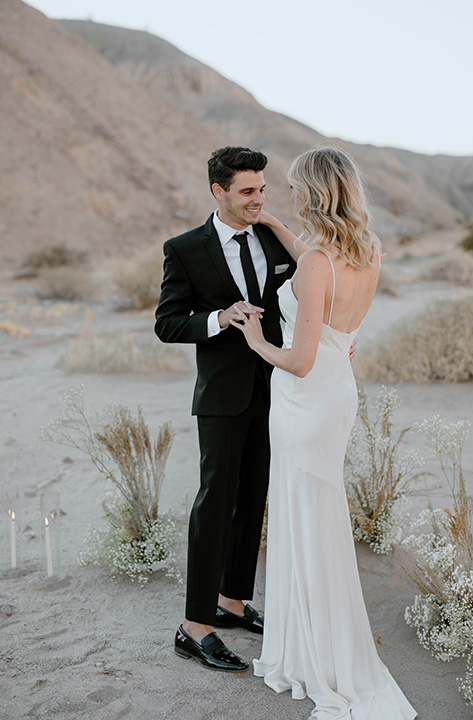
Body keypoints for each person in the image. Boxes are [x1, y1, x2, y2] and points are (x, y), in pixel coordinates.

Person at [231, 147, 417, 718]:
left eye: (293, 188)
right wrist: (275, 225)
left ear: (315, 191)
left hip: (303, 400)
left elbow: (301, 359)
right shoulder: (367, 252)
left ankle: (311, 652)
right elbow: (320, 274)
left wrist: (255, 341)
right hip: (339, 396)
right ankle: (318, 638)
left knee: (301, 517)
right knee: (317, 516)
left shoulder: (316, 265)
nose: (286, 195)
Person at [154, 146, 295, 671]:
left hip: (277, 387)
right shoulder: (185, 248)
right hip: (221, 394)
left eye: (263, 188)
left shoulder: (273, 237)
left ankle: (233, 601)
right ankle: (194, 626)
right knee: (215, 500)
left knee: (254, 494)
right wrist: (219, 316)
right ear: (218, 192)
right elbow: (168, 324)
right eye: (248, 191)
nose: (259, 198)